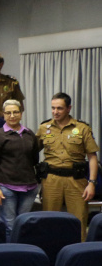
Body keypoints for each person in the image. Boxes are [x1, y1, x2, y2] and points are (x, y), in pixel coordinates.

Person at [38, 92, 99, 236]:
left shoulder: (82, 128)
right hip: (52, 180)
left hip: (76, 180)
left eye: (59, 108)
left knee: (78, 221)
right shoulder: (44, 128)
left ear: (68, 108)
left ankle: (80, 254)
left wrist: (92, 183)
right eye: (53, 108)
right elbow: (30, 151)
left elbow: (92, 157)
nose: (55, 112)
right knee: (49, 221)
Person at [0, 100, 41, 240]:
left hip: (29, 188)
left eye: (15, 112)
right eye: (8, 113)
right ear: (3, 115)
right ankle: (11, 256)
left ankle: (22, 254)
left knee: (23, 224)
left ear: (21, 114)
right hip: (6, 188)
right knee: (9, 226)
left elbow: (34, 159)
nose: (12, 115)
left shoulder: (29, 134)